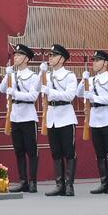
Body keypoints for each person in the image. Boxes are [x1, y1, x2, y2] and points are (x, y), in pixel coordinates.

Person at [78, 50, 108, 195]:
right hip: (95, 119)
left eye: (97, 60)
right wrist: (83, 81)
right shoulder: (91, 80)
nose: (94, 63)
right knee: (100, 153)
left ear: (105, 63)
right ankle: (104, 182)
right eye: (94, 60)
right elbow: (78, 93)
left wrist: (94, 97)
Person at [41, 44, 78, 197]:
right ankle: (59, 184)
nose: (50, 58)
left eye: (54, 55)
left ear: (62, 59)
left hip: (66, 115)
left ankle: (69, 185)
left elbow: (69, 96)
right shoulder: (47, 75)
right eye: (50, 55)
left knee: (69, 152)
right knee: (56, 152)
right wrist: (42, 74)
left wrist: (50, 91)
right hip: (52, 116)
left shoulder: (69, 76)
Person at [5, 44, 40, 193]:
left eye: (19, 55)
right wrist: (7, 76)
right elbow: (2, 89)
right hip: (15, 116)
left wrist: (15, 93)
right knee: (19, 150)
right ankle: (23, 181)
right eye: (15, 55)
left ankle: (33, 181)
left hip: (28, 116)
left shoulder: (33, 76)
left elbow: (33, 96)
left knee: (31, 151)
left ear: (26, 59)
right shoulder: (12, 75)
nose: (16, 57)